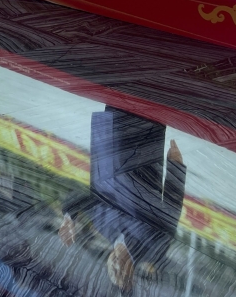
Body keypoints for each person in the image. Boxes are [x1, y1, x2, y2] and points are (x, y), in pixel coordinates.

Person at [59, 107, 187, 294]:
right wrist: (176, 167)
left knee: (121, 87)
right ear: (132, 274)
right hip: (144, 142)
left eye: (113, 272)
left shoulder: (103, 226)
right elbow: (171, 208)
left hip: (112, 129)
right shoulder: (154, 247)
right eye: (123, 275)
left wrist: (69, 217)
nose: (117, 266)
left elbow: (81, 197)